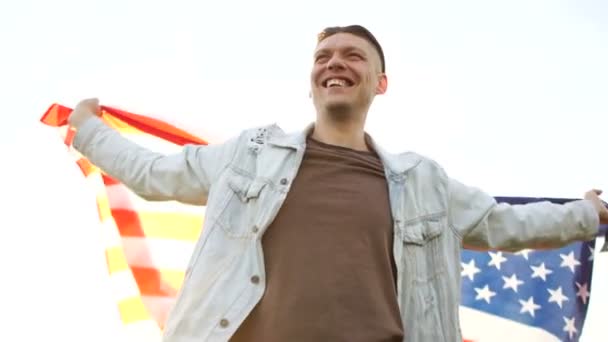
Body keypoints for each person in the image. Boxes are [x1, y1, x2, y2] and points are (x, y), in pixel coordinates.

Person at [67, 25, 607, 342]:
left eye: (353, 56)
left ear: (380, 82)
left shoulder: (424, 182)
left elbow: (503, 224)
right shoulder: (249, 156)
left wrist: (588, 213)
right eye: (323, 57)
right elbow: (155, 175)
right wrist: (86, 129)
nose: (335, 63)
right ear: (312, 81)